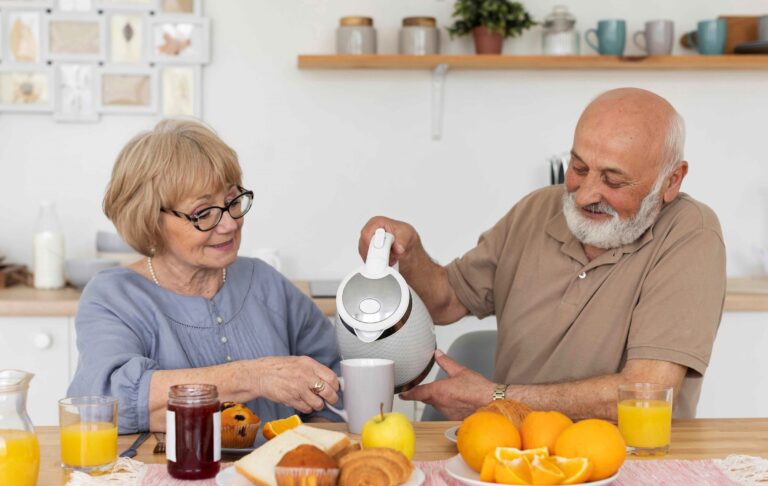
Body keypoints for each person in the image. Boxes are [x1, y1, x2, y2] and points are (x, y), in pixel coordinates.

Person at [358, 88, 726, 421]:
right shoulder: (538, 209)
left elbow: (647, 395)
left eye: (613, 181)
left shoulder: (691, 232)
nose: (583, 196)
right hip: (513, 453)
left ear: (671, 181)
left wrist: (496, 398)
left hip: (633, 464)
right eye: (579, 167)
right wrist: (409, 253)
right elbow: (445, 301)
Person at [68, 119, 341, 433]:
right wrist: (254, 377)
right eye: (203, 213)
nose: (228, 225)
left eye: (231, 201)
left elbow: (335, 378)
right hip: (173, 477)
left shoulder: (264, 282)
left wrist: (313, 442)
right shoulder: (115, 297)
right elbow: (104, 402)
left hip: (274, 478)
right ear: (150, 220)